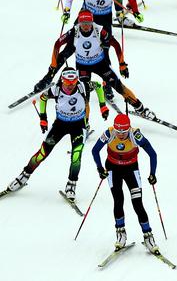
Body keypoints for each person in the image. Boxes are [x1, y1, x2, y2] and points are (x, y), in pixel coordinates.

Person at [4, 68, 108, 200]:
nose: (70, 86)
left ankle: (71, 184)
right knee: (42, 153)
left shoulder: (83, 85)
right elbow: (43, 97)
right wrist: (43, 118)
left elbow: (99, 86)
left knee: (76, 156)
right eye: (67, 82)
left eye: (73, 82)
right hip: (60, 125)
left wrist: (103, 106)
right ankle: (23, 176)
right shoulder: (56, 89)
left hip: (78, 126)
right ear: (62, 80)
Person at [33, 10, 153, 117]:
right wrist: (53, 64)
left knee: (119, 87)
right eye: (83, 24)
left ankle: (140, 108)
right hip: (82, 66)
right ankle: (84, 124)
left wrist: (122, 64)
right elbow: (57, 44)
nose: (86, 26)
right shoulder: (74, 31)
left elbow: (116, 44)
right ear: (79, 23)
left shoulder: (99, 30)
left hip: (100, 64)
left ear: (92, 22)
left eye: (88, 24)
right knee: (83, 95)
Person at [92, 114, 161, 253]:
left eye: (123, 132)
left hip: (131, 169)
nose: (121, 135)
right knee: (118, 200)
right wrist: (100, 168)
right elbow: (95, 150)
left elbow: (153, 154)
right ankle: (121, 234)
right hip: (113, 169)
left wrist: (152, 173)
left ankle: (148, 236)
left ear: (128, 129)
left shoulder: (135, 135)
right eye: (118, 132)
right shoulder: (109, 133)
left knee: (137, 203)